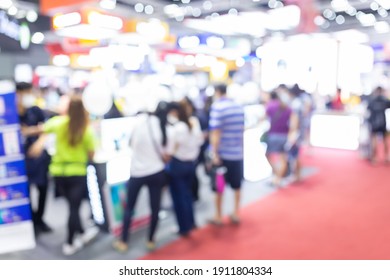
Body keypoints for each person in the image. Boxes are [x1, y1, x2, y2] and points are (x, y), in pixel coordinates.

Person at [29, 95, 99, 256]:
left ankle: (81, 232)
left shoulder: (59, 123)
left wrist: (26, 130)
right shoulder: (86, 130)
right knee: (74, 209)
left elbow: (41, 129)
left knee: (71, 206)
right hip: (76, 173)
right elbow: (91, 154)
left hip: (58, 173)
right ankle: (69, 243)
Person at [113, 101, 172, 252]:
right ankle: (151, 239)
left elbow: (130, 144)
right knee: (155, 208)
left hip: (137, 172)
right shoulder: (163, 127)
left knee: (129, 208)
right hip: (156, 172)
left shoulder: (139, 123)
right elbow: (167, 155)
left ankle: (124, 241)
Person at [16, 82, 52, 234]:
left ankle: (40, 219)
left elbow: (47, 128)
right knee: (26, 192)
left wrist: (38, 142)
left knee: (43, 189)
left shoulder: (35, 110)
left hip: (39, 158)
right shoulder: (11, 113)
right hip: (21, 160)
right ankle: (32, 222)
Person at [208, 84, 245, 225]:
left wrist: (214, 153)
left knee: (219, 186)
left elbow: (215, 132)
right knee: (237, 185)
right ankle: (236, 212)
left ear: (217, 92)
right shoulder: (238, 106)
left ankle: (218, 215)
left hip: (223, 155)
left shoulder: (218, 108)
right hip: (238, 154)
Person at [167, 101, 203, 236]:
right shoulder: (193, 123)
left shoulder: (177, 128)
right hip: (190, 164)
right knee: (187, 195)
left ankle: (184, 227)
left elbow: (170, 149)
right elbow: (199, 142)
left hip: (178, 165)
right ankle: (191, 222)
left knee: (179, 197)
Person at [265, 88, 292, 187]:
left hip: (273, 135)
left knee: (270, 155)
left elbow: (263, 118)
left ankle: (277, 176)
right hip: (284, 135)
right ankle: (278, 177)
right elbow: (293, 123)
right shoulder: (288, 108)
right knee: (282, 158)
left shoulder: (270, 106)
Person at [366, 86, 390, 163]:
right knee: (385, 139)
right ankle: (386, 157)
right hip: (383, 122)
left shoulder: (372, 100)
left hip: (374, 122)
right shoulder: (385, 100)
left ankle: (374, 158)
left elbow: (368, 110)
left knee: (374, 139)